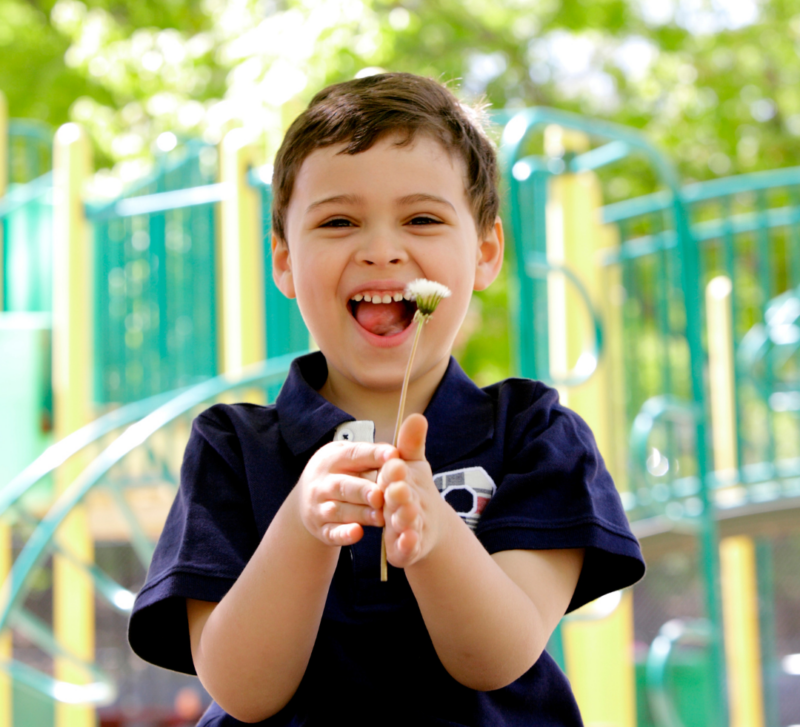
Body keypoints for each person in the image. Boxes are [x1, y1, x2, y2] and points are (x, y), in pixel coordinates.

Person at [128, 72, 645, 726]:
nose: (380, 251)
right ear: (283, 261)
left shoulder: (536, 434)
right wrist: (302, 526)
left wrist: (434, 534)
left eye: (422, 218)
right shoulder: (232, 447)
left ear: (484, 252)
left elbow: (499, 654)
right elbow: (240, 688)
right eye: (339, 221)